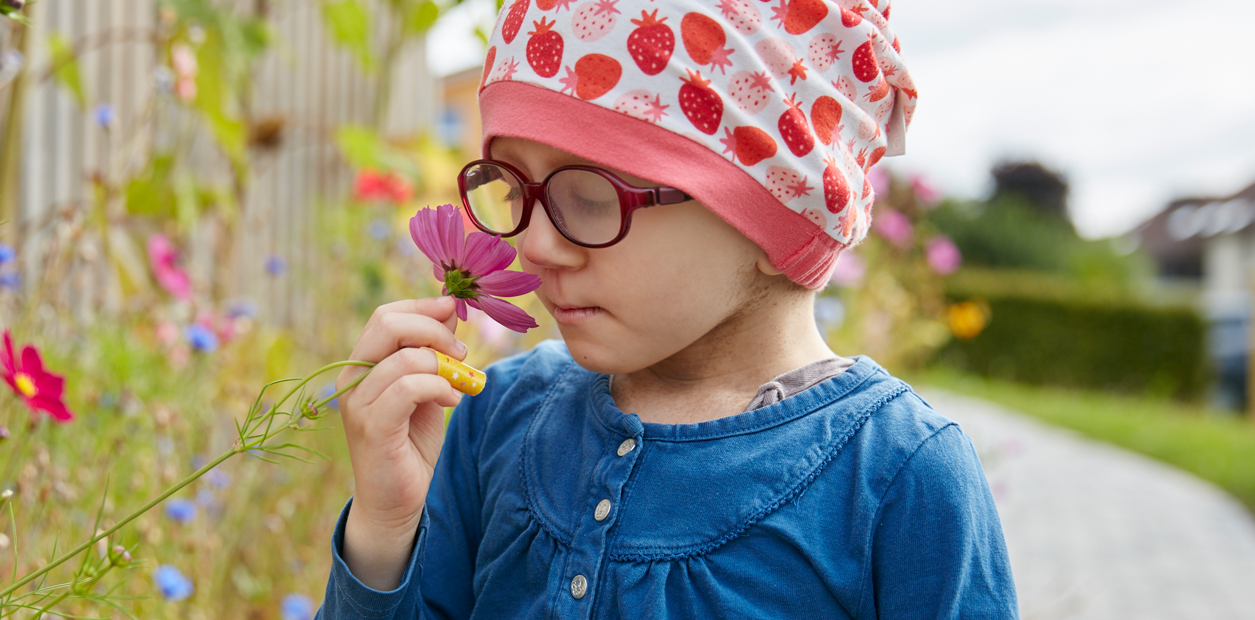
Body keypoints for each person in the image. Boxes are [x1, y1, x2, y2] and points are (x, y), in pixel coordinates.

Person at [323, 0, 1017, 617]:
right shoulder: (492, 417)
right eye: (511, 188)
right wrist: (385, 529)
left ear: (779, 214)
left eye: (589, 197)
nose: (532, 244)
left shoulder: (897, 480)